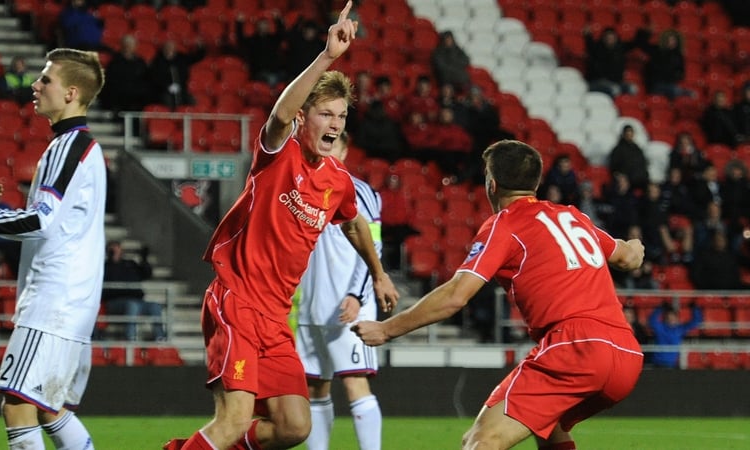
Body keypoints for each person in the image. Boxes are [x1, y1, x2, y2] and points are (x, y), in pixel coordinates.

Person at [163, 4, 399, 449]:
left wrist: (379, 272)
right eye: (326, 114)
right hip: (236, 300)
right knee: (232, 421)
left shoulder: (338, 183)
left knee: (295, 427)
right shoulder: (278, 153)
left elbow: (356, 225)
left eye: (341, 117)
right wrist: (327, 58)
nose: (334, 124)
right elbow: (277, 112)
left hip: (275, 318)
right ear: (303, 118)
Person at [353, 139, 645, 450]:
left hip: (575, 347)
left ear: (492, 184)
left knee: (481, 441)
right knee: (549, 428)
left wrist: (387, 329)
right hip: (626, 353)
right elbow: (627, 257)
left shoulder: (505, 225)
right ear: (536, 182)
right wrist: (636, 245)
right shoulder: (573, 216)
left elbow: (456, 296)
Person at [0, 48, 106, 449]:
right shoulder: (78, 147)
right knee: (48, 408)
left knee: (18, 404)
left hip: (55, 300)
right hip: (70, 298)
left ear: (71, 93)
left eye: (45, 79)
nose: (35, 86)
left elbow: (40, 220)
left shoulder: (69, 147)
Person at [296, 131, 384, 450]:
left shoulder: (361, 192)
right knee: (316, 387)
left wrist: (357, 295)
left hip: (348, 307)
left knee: (354, 383)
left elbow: (372, 246)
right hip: (311, 308)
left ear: (346, 151)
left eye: (335, 145)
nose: (328, 150)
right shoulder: (302, 188)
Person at [102, 240, 165, 342]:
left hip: (136, 300)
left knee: (155, 306)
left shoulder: (130, 264)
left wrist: (144, 259)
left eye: (117, 248)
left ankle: (160, 337)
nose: (116, 251)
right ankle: (131, 337)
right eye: (112, 249)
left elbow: (146, 274)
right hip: (115, 302)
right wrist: (112, 261)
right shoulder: (105, 266)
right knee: (132, 305)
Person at [101, 34, 150, 118]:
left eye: (131, 45)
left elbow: (145, 78)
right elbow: (111, 80)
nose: (128, 47)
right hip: (120, 96)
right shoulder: (115, 61)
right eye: (126, 45)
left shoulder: (140, 62)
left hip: (136, 97)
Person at [148, 39, 206, 110]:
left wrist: (201, 48)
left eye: (172, 47)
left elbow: (195, 58)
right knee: (167, 102)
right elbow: (155, 77)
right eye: (168, 47)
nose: (170, 50)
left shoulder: (180, 58)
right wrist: (167, 86)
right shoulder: (158, 61)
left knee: (192, 101)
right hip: (164, 91)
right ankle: (170, 120)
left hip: (181, 89)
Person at [583, 26, 639, 97]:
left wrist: (643, 33)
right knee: (614, 89)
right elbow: (590, 46)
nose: (610, 40)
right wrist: (588, 36)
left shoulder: (620, 48)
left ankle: (628, 106)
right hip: (597, 81)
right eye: (608, 38)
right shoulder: (597, 49)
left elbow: (635, 43)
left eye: (612, 38)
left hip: (616, 82)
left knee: (633, 88)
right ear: (603, 38)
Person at [647, 302, 702, 368]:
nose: (671, 320)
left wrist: (694, 308)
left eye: (673, 317)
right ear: (666, 318)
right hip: (657, 363)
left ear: (677, 318)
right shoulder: (660, 328)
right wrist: (660, 308)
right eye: (669, 317)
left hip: (671, 364)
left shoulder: (680, 329)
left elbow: (695, 322)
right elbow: (651, 321)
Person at [608, 124, 649, 191]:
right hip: (625, 181)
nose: (629, 135)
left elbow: (643, 164)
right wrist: (621, 177)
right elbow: (614, 168)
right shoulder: (618, 150)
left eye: (631, 132)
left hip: (640, 180)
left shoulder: (637, 149)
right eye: (627, 132)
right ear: (623, 134)